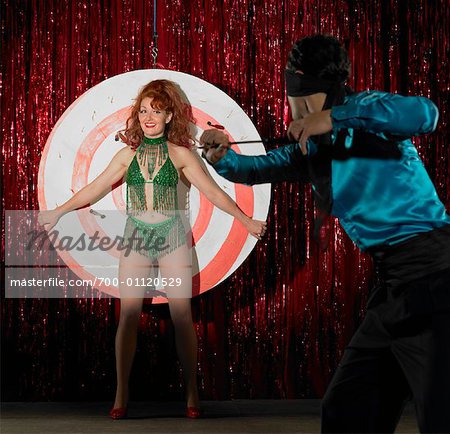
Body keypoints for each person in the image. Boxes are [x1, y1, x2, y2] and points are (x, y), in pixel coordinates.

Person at [200, 35, 450, 433]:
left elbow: (426, 114)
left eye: (302, 102)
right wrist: (221, 157)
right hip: (393, 289)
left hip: (435, 282)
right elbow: (255, 169)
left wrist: (335, 117)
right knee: (347, 409)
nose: (295, 114)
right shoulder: (312, 151)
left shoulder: (366, 113)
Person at [38, 79, 266, 419]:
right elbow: (95, 188)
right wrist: (58, 212)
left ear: (170, 115)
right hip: (136, 238)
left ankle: (191, 391)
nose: (148, 116)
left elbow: (213, 193)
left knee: (181, 315)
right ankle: (121, 392)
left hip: (172, 237)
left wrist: (245, 220)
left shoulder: (182, 155)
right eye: (143, 110)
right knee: (128, 316)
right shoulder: (126, 154)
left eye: (156, 111)